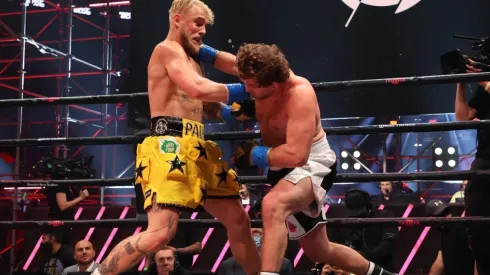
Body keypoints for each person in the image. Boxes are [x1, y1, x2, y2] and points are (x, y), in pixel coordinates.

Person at [91, 1, 259, 274]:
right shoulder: (166, 50)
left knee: (239, 220)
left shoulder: (193, 58)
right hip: (169, 145)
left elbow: (207, 105)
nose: (203, 30)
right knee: (159, 234)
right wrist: (247, 89)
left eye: (205, 25)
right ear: (178, 19)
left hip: (198, 147)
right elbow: (196, 87)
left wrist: (236, 112)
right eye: (198, 22)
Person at [232, 43, 397, 275]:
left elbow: (297, 155)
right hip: (281, 169)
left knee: (272, 206)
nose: (246, 90)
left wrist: (254, 154)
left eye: (250, 87)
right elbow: (220, 67)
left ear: (272, 84)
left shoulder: (299, 93)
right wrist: (201, 54)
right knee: (320, 251)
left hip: (310, 163)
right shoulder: (256, 73)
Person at [454, 59, 490, 274]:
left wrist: (486, 82)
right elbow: (461, 118)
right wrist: (460, 82)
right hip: (485, 159)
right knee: (477, 225)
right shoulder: (484, 93)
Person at [342, 189, 397, 272]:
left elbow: (388, 244)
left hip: (382, 268)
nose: (357, 216)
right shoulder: (346, 220)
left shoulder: (385, 216)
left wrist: (364, 256)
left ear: (368, 206)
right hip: (354, 269)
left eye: (360, 213)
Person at [425, 200, 475, 275]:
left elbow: (478, 258)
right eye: (441, 215)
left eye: (446, 212)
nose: (447, 215)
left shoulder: (460, 227)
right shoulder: (445, 230)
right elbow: (439, 263)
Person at [218, 228, 294, 275]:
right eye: (249, 234)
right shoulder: (227, 265)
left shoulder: (283, 264)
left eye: (256, 233)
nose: (253, 237)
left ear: (265, 235)